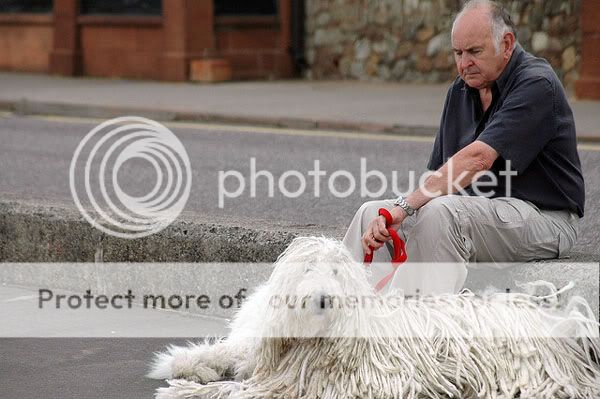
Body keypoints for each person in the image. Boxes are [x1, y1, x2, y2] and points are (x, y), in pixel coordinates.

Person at [343, 0, 584, 295]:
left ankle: (426, 327)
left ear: (506, 44)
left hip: (546, 218)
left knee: (440, 214)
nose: (463, 63)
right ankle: (354, 318)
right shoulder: (460, 90)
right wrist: (394, 212)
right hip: (479, 211)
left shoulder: (537, 84)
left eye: (474, 52)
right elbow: (438, 175)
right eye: (458, 53)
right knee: (372, 214)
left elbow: (479, 158)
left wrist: (404, 206)